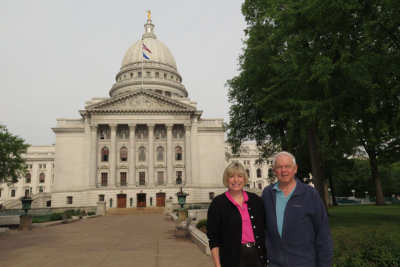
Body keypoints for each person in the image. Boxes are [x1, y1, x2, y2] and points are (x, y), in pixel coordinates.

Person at [261, 151, 333, 267]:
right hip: (275, 263)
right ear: (274, 170)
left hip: (304, 263)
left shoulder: (310, 194)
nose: (283, 170)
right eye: (279, 167)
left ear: (295, 169)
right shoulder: (267, 194)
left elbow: (323, 233)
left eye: (287, 166)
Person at [207, 162, 266, 267]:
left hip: (257, 256)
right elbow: (214, 239)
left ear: (244, 179)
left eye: (240, 176)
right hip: (232, 259)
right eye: (231, 176)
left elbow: (265, 229)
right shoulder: (218, 203)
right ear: (226, 179)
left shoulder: (255, 200)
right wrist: (217, 265)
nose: (236, 180)